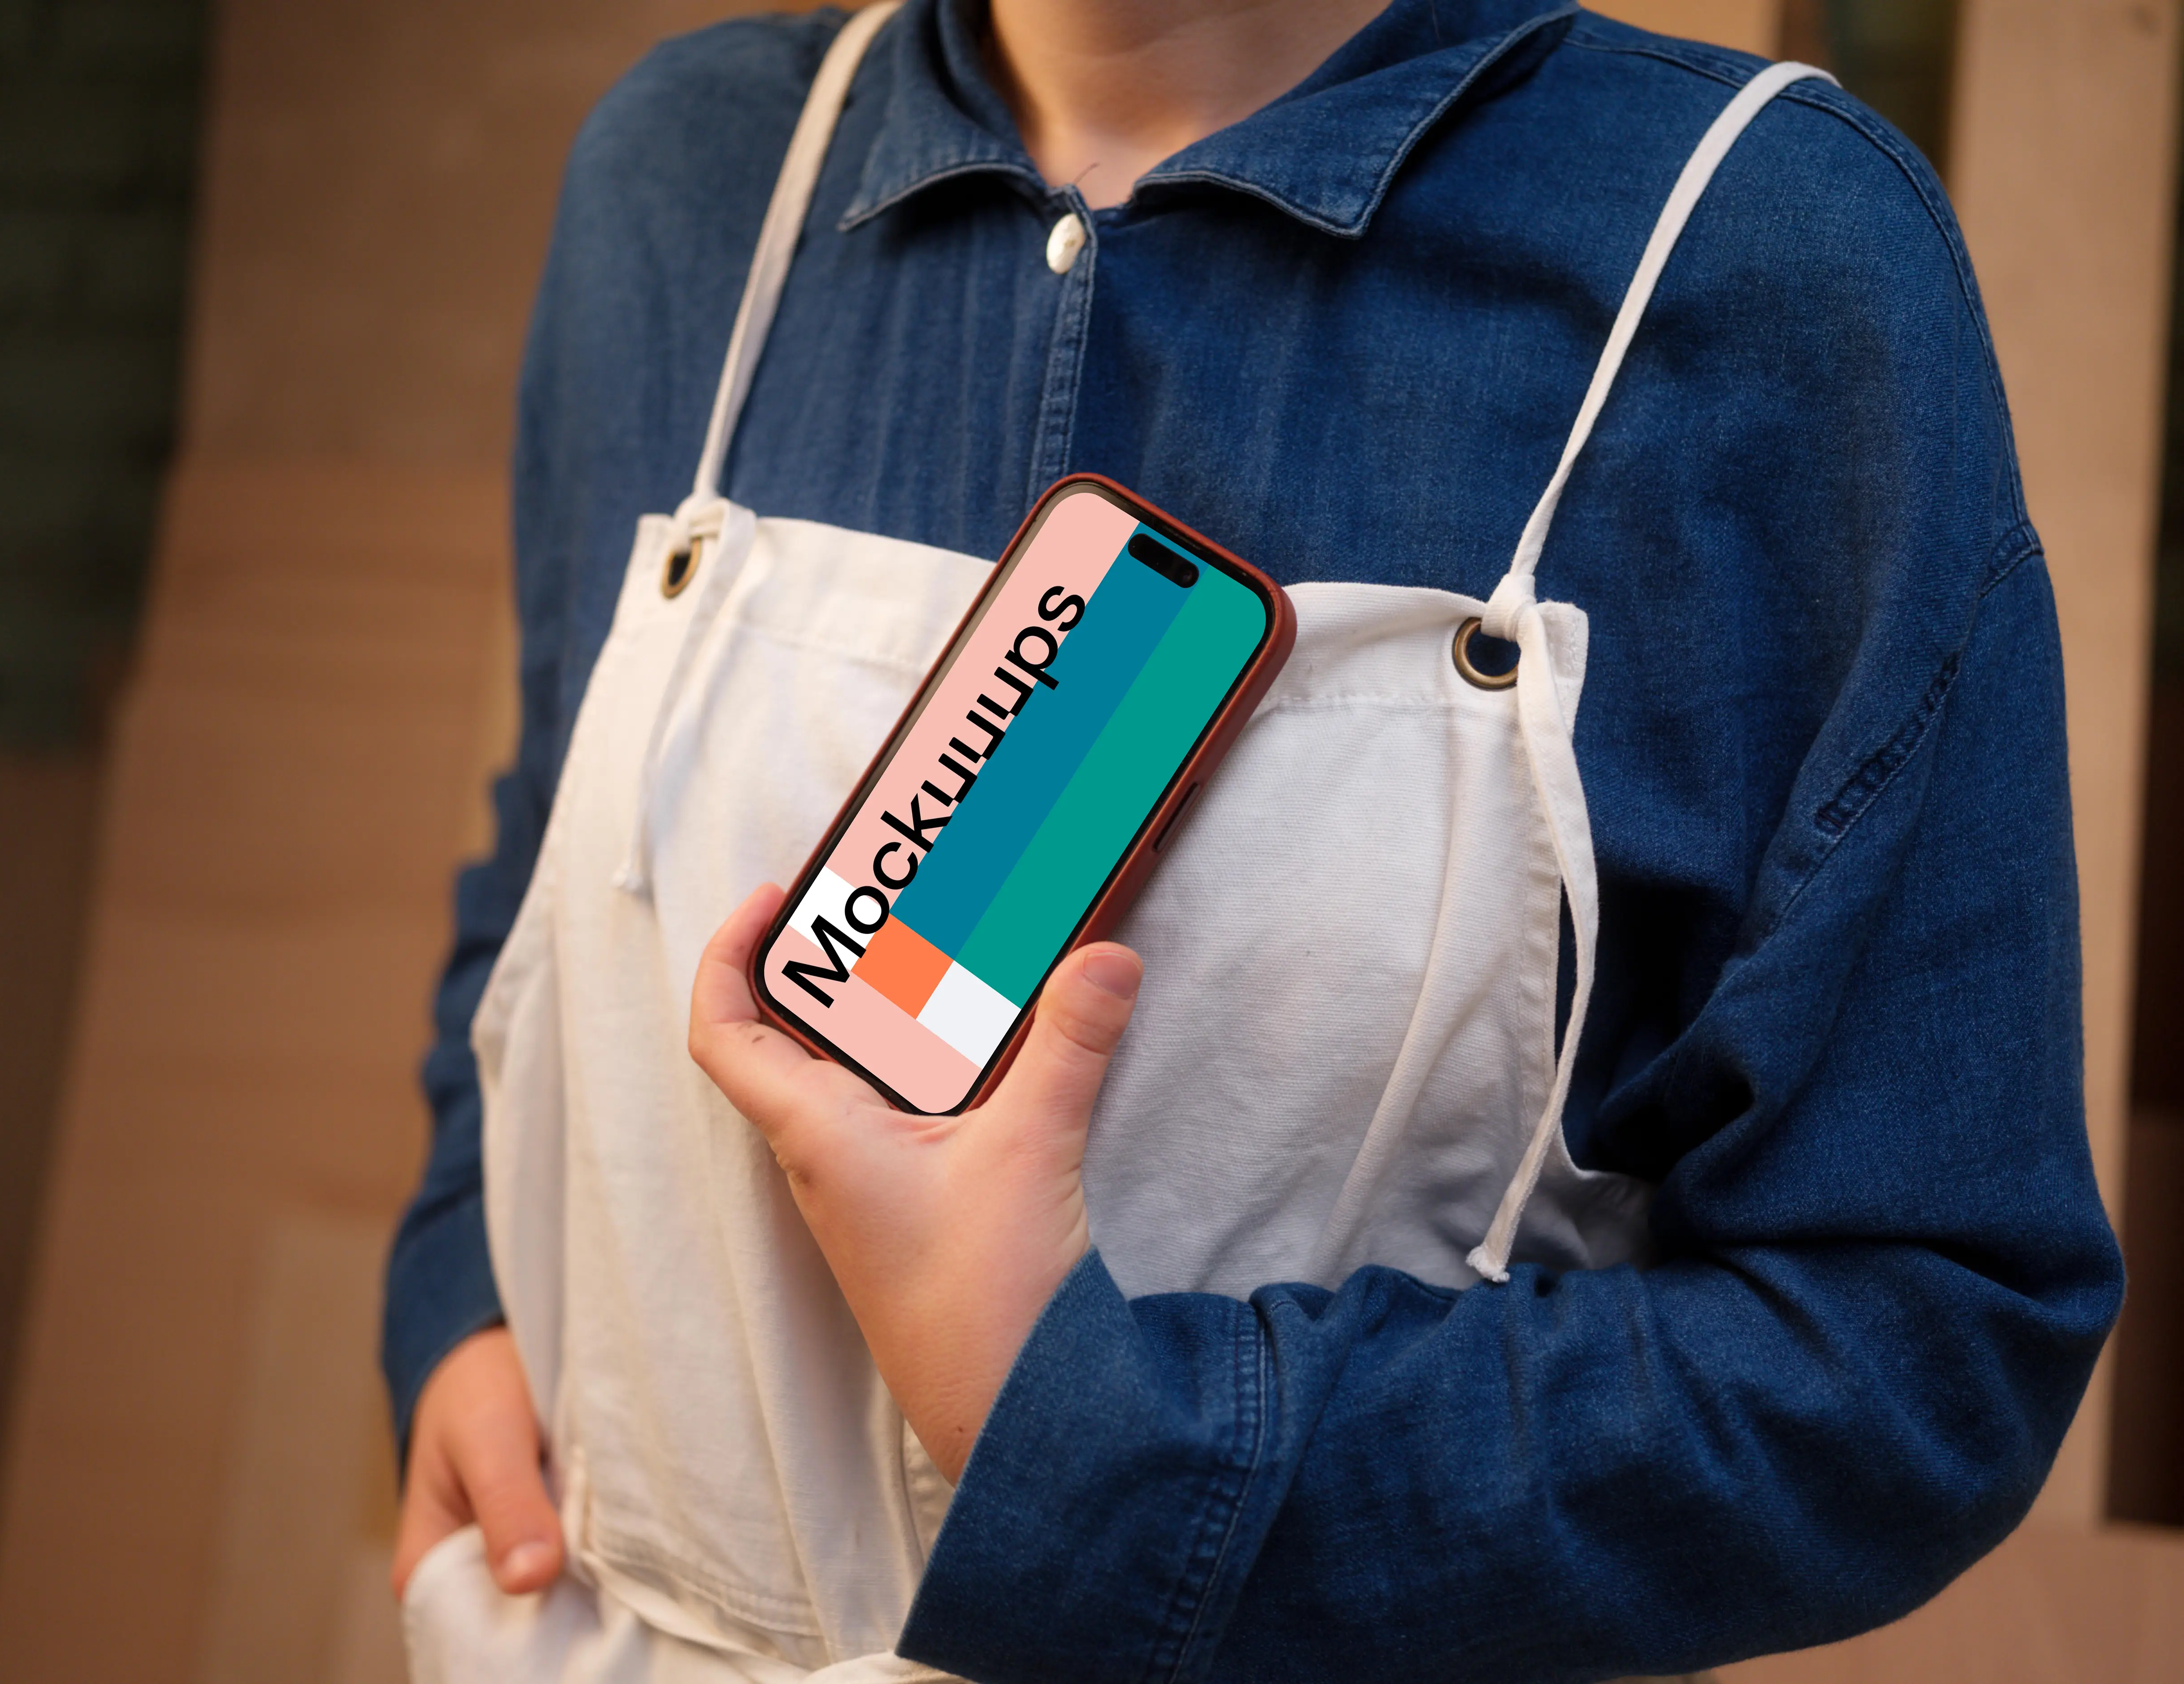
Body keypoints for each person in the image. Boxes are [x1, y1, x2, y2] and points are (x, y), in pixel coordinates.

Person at [382, 1, 2125, 1679]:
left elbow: (1921, 1340)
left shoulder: (1767, 262)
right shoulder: (692, 180)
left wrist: (1112, 1438)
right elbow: (547, 869)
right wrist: (460, 1286)